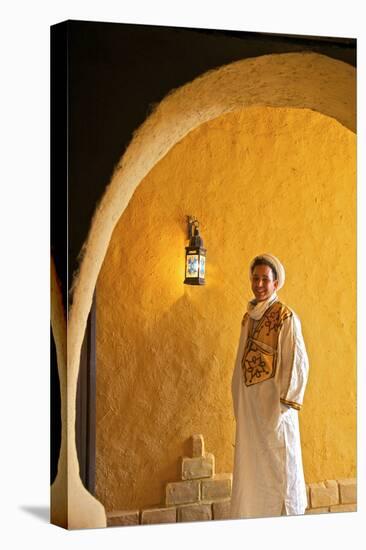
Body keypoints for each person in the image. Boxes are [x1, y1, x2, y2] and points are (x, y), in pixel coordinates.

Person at [230, 253, 309, 518]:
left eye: (265, 279)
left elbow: (297, 361)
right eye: (256, 278)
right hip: (252, 414)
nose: (259, 284)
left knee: (279, 472)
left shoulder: (285, 317)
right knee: (252, 472)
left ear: (276, 283)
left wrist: (285, 406)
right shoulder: (249, 317)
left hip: (275, 413)